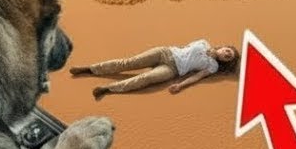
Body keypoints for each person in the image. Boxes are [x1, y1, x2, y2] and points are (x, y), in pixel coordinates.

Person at [69, 38, 240, 99]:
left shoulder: (213, 66)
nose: (226, 54)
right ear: (223, 46)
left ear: (226, 61)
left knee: (146, 78)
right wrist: (208, 51)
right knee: (128, 63)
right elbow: (188, 48)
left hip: (173, 70)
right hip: (164, 52)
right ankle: (89, 69)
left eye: (229, 56)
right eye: (227, 51)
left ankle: (106, 89)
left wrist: (181, 85)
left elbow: (196, 77)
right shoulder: (204, 42)